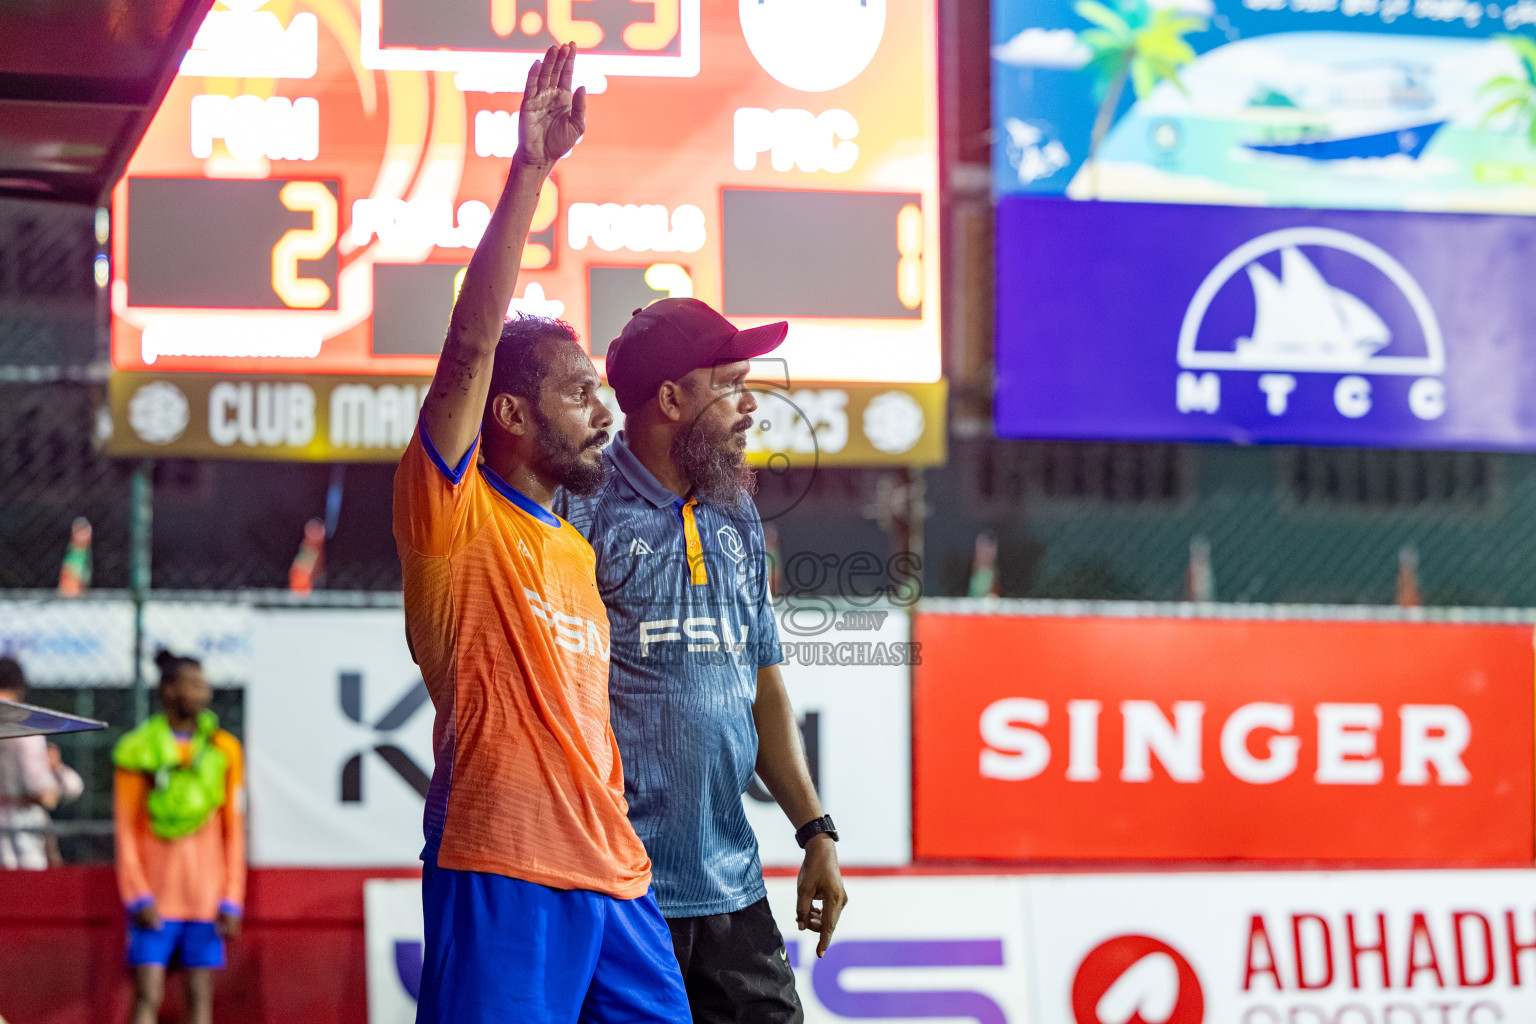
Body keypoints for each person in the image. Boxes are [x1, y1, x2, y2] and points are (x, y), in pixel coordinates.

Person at [391, 43, 689, 1024]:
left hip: (616, 876)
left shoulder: (573, 545)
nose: (602, 412)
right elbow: (470, 348)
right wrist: (530, 170)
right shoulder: (451, 512)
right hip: (500, 861)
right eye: (578, 393)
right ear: (511, 415)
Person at [556, 298, 848, 1022]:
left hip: (732, 891)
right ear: (670, 399)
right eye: (731, 385)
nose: (750, 405)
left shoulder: (734, 510)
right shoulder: (577, 511)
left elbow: (762, 685)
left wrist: (815, 831)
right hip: (618, 892)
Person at [113, 649, 245, 1024]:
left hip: (207, 900)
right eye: (193, 684)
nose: (203, 692)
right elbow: (126, 828)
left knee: (200, 997)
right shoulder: (137, 750)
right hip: (155, 897)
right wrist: (137, 894)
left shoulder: (224, 749)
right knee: (147, 996)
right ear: (169, 690)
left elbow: (234, 829)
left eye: (204, 684)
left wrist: (232, 897)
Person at [0, 656, 83, 870]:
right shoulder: (24, 727)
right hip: (21, 830)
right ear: (19, 687)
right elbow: (40, 790)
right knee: (26, 885)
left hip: (15, 826)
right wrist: (52, 780)